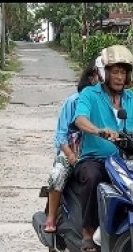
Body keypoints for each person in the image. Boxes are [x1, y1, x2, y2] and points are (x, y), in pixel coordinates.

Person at [71, 45, 133, 252]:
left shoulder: (132, 99)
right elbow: (80, 119)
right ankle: (87, 233)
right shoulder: (89, 94)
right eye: (115, 71)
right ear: (105, 73)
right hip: (94, 159)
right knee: (93, 177)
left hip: (122, 161)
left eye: (123, 72)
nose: (120, 77)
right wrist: (99, 130)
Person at [43, 64, 101, 233]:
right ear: (91, 78)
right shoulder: (72, 102)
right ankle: (52, 216)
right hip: (73, 150)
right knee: (58, 174)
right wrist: (69, 154)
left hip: (95, 151)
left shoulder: (105, 103)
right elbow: (61, 135)